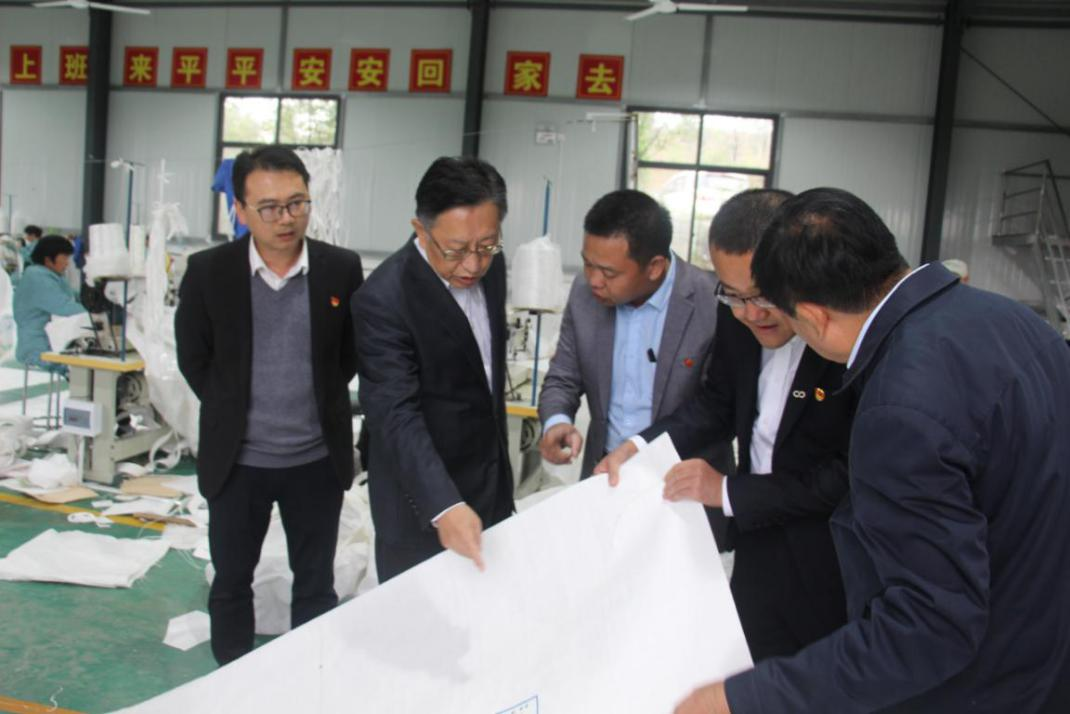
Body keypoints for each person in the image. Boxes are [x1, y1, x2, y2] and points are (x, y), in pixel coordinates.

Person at [675, 187, 1070, 714]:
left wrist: (746, 696)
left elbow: (930, 626)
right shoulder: (1014, 320)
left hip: (981, 687)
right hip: (1045, 651)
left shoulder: (897, 407)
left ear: (812, 316)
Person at [597, 189, 852, 662]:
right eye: (734, 294)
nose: (750, 313)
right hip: (757, 552)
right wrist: (640, 447)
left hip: (830, 564)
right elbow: (717, 403)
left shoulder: (845, 342)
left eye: (764, 296)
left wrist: (729, 491)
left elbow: (847, 474)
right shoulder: (736, 314)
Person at [175, 146, 364, 666]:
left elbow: (349, 354)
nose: (286, 219)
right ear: (239, 209)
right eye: (269, 208)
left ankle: (308, 679)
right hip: (238, 462)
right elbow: (194, 357)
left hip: (315, 461)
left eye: (297, 203)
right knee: (232, 582)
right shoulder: (209, 272)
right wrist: (234, 409)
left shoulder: (340, 269)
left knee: (316, 583)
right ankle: (234, 680)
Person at [352, 156, 513, 582]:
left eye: (487, 246)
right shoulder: (383, 298)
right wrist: (444, 505)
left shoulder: (493, 267)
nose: (473, 265)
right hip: (422, 509)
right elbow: (394, 413)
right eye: (455, 250)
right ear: (421, 230)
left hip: (491, 491)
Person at [538, 189, 733, 484]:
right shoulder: (583, 292)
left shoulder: (713, 302)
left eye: (609, 273)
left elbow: (718, 408)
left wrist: (640, 447)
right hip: (607, 475)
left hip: (685, 477)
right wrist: (557, 421)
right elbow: (564, 376)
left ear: (654, 267)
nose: (594, 280)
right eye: (588, 264)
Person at [13, 235, 86, 374]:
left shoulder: (51, 276)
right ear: (48, 259)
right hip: (38, 350)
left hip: (49, 344)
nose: (67, 263)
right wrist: (94, 317)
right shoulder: (38, 278)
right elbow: (65, 306)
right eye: (64, 258)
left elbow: (73, 297)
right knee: (86, 373)